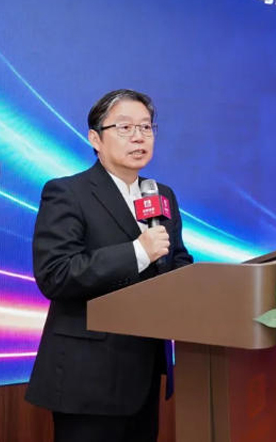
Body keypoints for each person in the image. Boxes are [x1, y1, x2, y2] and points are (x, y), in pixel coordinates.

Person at [25, 89, 194, 442]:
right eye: (125, 127)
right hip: (87, 379)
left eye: (146, 127)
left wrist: (198, 284)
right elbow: (56, 274)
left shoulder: (161, 195)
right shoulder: (67, 193)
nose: (138, 137)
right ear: (95, 139)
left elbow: (176, 260)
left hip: (145, 372)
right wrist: (137, 252)